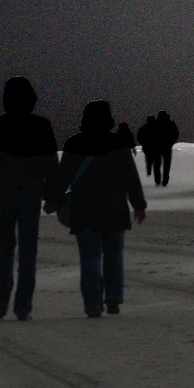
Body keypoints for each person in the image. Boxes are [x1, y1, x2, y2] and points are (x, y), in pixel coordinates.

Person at [45, 99, 146, 318]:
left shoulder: (74, 144)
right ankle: (113, 299)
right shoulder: (119, 144)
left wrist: (51, 201)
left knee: (90, 258)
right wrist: (139, 205)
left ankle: (92, 305)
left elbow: (63, 178)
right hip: (115, 208)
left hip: (84, 210)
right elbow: (130, 177)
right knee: (114, 254)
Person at [0, 76, 59, 320]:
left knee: (4, 250)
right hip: (31, 195)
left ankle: (1, 304)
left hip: (5, 195)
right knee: (28, 253)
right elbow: (51, 165)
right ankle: (22, 307)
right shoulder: (41, 126)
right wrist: (51, 195)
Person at [153, 110, 179, 187]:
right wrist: (171, 143)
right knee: (166, 165)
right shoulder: (170, 123)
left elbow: (151, 134)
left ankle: (158, 180)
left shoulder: (155, 124)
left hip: (157, 147)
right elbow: (176, 134)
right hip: (167, 146)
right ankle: (165, 180)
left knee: (157, 164)